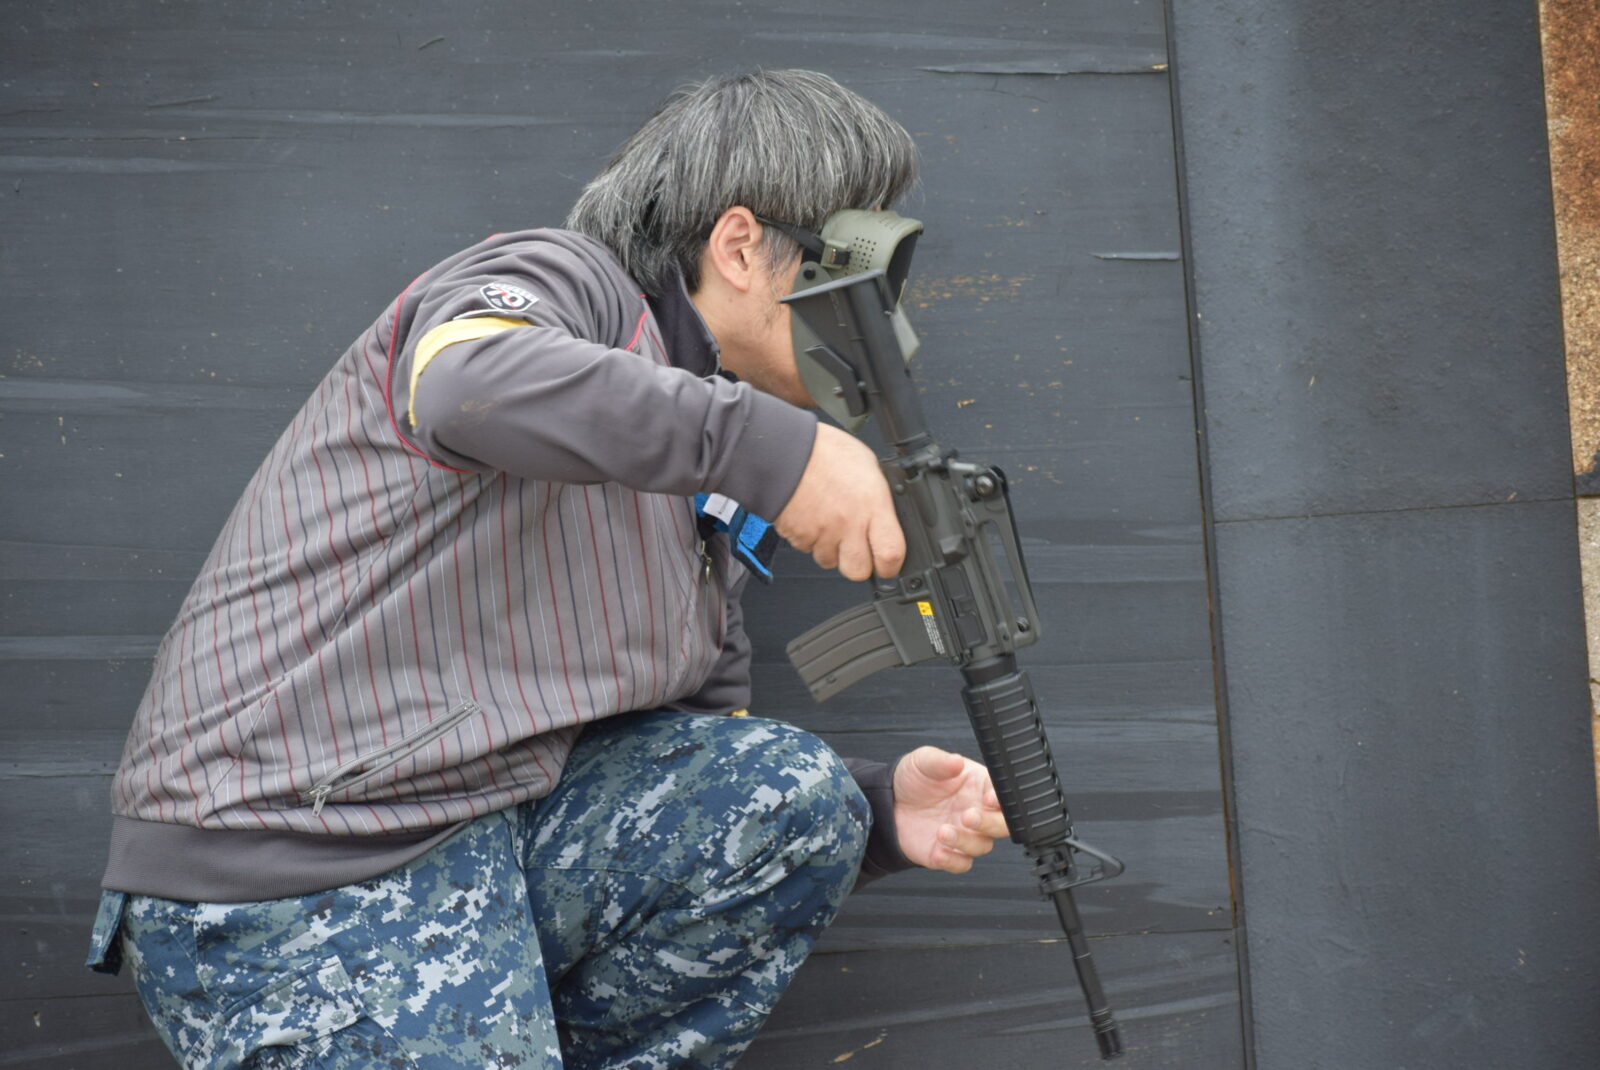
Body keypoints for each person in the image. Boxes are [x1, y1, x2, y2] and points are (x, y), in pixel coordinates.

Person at [85, 69, 1009, 1069]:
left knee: (792, 793)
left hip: (476, 833)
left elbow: (682, 739)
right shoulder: (568, 284)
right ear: (741, 245)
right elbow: (465, 383)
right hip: (298, 864)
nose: (873, 312)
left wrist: (873, 808)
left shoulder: (707, 447)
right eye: (856, 266)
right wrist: (778, 451)